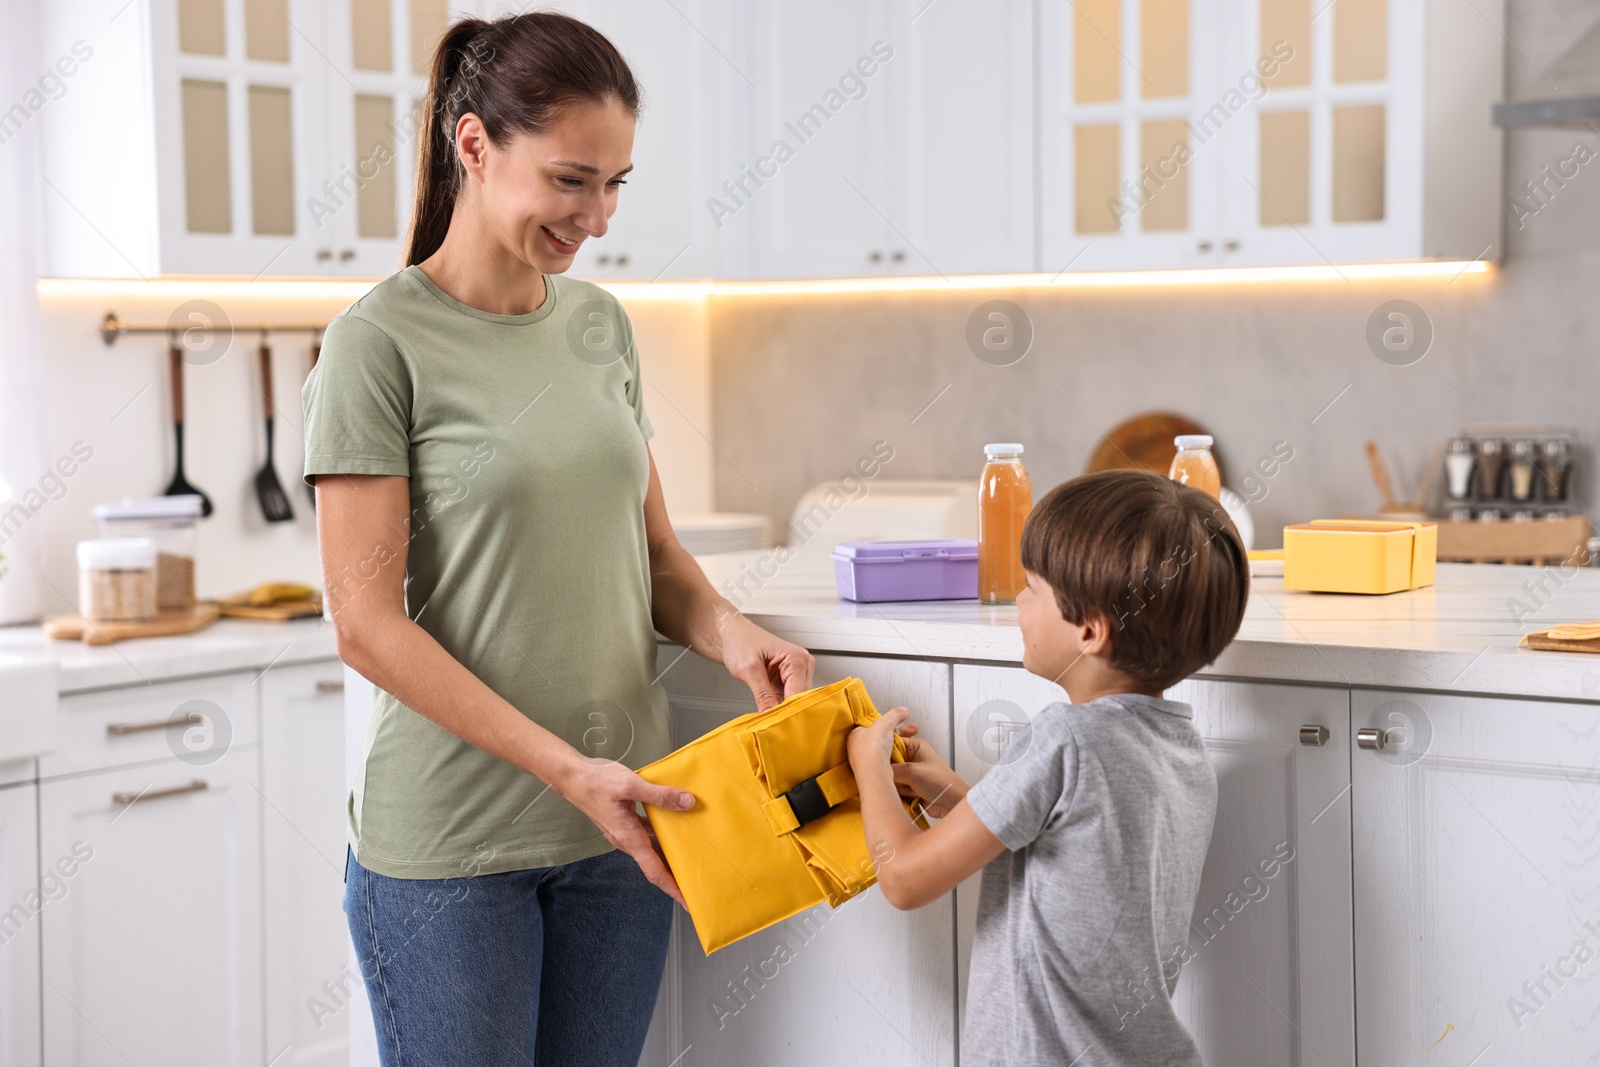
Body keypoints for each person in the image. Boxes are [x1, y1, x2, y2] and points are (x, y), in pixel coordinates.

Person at [302, 12, 813, 1066]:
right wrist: (565, 768)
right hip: (454, 849)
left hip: (625, 831)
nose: (597, 217)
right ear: (475, 145)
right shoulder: (376, 342)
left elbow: (657, 559)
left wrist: (730, 631)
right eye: (571, 179)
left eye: (617, 182)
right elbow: (364, 624)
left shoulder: (600, 327)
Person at [847, 469, 1250, 1066]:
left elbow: (905, 880)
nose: (1018, 599)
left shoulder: (1063, 739)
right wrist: (957, 795)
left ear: (1089, 630)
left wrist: (868, 769)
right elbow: (1062, 848)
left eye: (1032, 588)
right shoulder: (1179, 748)